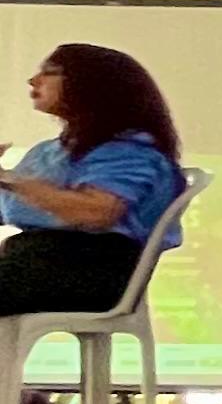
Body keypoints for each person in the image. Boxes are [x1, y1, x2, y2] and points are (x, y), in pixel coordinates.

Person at [0, 45, 185, 329]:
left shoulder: (129, 151)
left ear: (90, 85)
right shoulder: (49, 152)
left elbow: (96, 213)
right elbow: (10, 208)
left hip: (89, 268)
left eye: (49, 72)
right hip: (32, 260)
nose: (34, 81)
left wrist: (11, 180)